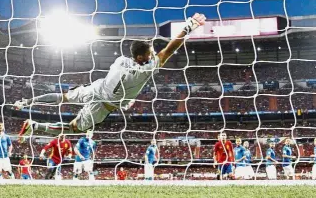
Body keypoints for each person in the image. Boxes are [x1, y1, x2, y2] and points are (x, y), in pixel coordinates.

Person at [14, 13, 206, 141]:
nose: (152, 54)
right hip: (103, 106)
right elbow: (168, 50)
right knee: (75, 128)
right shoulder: (144, 71)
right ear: (141, 58)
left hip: (95, 88)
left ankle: (28, 101)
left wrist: (125, 100)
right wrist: (189, 26)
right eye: (149, 53)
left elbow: (136, 67)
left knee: (64, 96)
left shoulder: (121, 60)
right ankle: (35, 125)